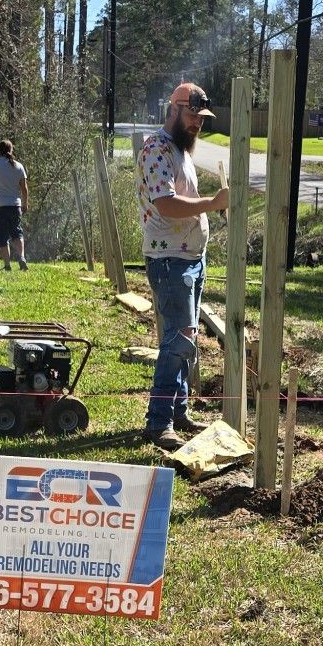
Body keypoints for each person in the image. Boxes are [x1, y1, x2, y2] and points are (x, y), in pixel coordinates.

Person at [136, 81, 228, 449]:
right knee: (177, 341)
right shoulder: (156, 149)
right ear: (173, 110)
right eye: (192, 115)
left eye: (201, 118)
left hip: (190, 256)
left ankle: (178, 411)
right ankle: (158, 423)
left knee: (185, 340)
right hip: (170, 259)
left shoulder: (181, 150)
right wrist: (212, 203)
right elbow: (167, 204)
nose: (197, 124)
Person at [0, 139, 29, 271]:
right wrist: (25, 204)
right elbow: (24, 188)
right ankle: (22, 258)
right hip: (15, 205)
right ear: (11, 150)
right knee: (17, 232)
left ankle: (7, 265)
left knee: (1, 235)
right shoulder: (19, 166)